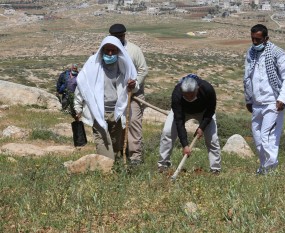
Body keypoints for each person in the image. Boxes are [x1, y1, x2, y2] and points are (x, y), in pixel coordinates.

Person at [73, 36, 138, 160]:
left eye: (113, 51)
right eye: (107, 50)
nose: (110, 53)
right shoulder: (93, 64)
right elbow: (82, 85)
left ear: (118, 51)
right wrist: (77, 107)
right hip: (98, 111)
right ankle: (106, 170)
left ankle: (112, 170)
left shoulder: (123, 65)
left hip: (117, 112)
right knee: (103, 144)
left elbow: (133, 85)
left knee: (115, 144)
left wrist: (133, 84)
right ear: (102, 50)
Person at [243, 24, 285, 175]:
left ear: (266, 38)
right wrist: (248, 100)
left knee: (268, 137)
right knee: (258, 139)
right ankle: (264, 166)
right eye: (252, 39)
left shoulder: (278, 53)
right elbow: (247, 78)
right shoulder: (251, 53)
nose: (255, 42)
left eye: (258, 39)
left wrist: (282, 98)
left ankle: (270, 170)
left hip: (273, 103)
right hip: (257, 104)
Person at [157, 74, 221, 174]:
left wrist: (202, 127)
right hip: (183, 112)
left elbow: (210, 111)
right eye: (186, 95)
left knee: (212, 138)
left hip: (204, 112)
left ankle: (215, 169)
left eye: (191, 94)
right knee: (167, 132)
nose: (189, 97)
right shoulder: (177, 93)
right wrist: (185, 145)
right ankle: (163, 165)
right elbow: (179, 121)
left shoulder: (208, 89)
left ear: (198, 89)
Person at [109, 23, 148, 165]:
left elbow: (143, 70)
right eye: (115, 37)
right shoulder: (108, 50)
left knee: (133, 124)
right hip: (114, 96)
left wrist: (135, 83)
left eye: (121, 36)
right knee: (116, 125)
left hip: (134, 95)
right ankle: (118, 154)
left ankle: (135, 158)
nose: (118, 39)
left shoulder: (133, 50)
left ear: (124, 35)